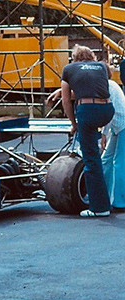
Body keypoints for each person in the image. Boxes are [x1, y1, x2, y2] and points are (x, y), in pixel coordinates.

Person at [52, 44, 114, 217]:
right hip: (107, 110)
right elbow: (99, 86)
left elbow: (66, 100)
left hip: (87, 111)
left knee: (91, 160)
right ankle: (104, 198)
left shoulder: (69, 69)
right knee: (96, 154)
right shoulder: (102, 66)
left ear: (75, 58)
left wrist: (74, 124)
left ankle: (99, 208)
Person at [101, 64, 125, 209]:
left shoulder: (107, 87)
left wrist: (104, 134)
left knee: (118, 162)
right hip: (118, 126)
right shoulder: (111, 84)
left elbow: (108, 112)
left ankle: (119, 201)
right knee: (108, 160)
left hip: (121, 125)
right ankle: (108, 196)